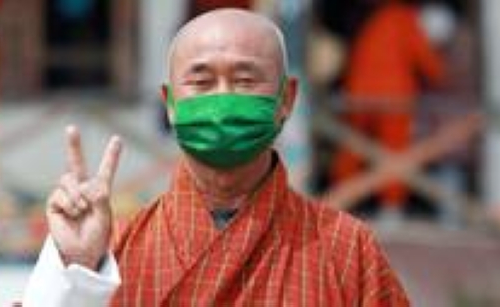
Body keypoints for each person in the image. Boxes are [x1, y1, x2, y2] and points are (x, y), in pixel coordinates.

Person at [23, 9, 409, 306]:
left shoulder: (346, 249)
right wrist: (76, 270)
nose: (222, 101)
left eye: (245, 81)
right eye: (202, 82)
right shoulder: (111, 250)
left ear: (286, 99)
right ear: (170, 104)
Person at [331, 0, 446, 219]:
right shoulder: (404, 18)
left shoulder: (374, 19)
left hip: (360, 92)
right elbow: (424, 56)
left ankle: (339, 198)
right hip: (393, 96)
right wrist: (442, 78)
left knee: (354, 148)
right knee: (394, 152)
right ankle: (391, 207)